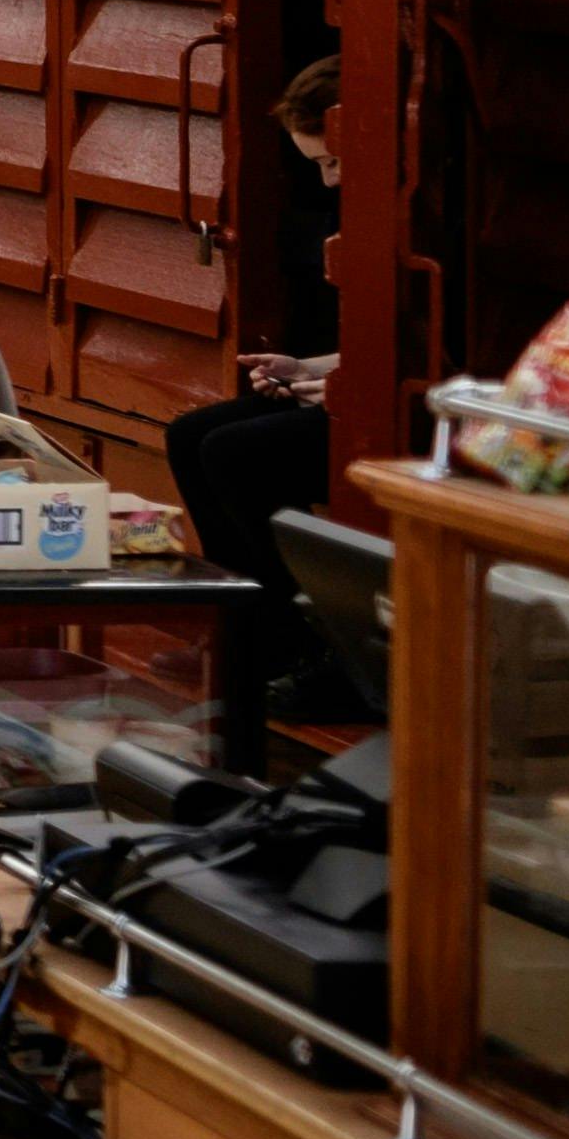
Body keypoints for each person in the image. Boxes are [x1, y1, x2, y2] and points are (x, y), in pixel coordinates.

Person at [162, 54, 342, 695]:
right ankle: (256, 632)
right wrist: (308, 369)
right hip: (351, 393)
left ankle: (319, 648)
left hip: (411, 412)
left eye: (334, 162)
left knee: (237, 453)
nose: (327, 182)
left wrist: (338, 383)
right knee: (192, 435)